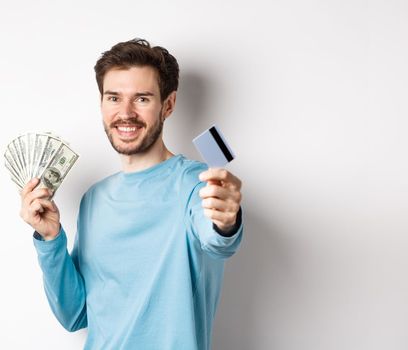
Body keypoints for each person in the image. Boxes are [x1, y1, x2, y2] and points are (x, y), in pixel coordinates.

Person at [18, 38, 244, 349]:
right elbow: (74, 314)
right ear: (101, 104)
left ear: (168, 104)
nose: (125, 113)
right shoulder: (93, 199)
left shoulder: (196, 183)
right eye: (113, 98)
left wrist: (227, 221)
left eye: (141, 99)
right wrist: (50, 240)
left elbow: (217, 241)